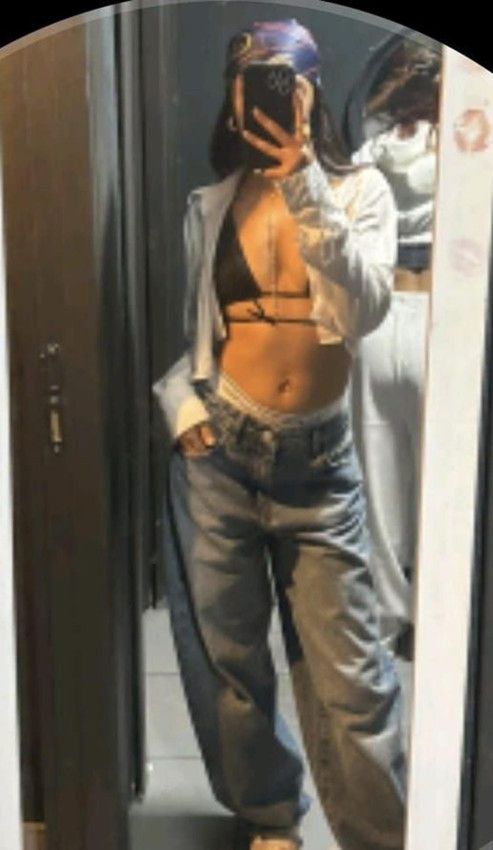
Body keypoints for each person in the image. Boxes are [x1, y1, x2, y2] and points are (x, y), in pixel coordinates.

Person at [153, 19, 406, 850]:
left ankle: (382, 836)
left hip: (318, 465)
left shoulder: (362, 192)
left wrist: (302, 179)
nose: (263, 92)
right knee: (233, 665)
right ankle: (269, 817)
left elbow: (362, 309)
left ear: (308, 90)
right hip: (220, 456)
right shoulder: (212, 203)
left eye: (280, 78)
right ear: (232, 95)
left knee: (353, 680)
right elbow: (195, 335)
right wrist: (180, 407)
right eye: (249, 78)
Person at [350, 43, 441, 659]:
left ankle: (394, 614)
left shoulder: (375, 149)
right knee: (426, 474)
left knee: (384, 478)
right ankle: (424, 612)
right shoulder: (460, 142)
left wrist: (387, 99)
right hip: (424, 309)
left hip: (394, 313)